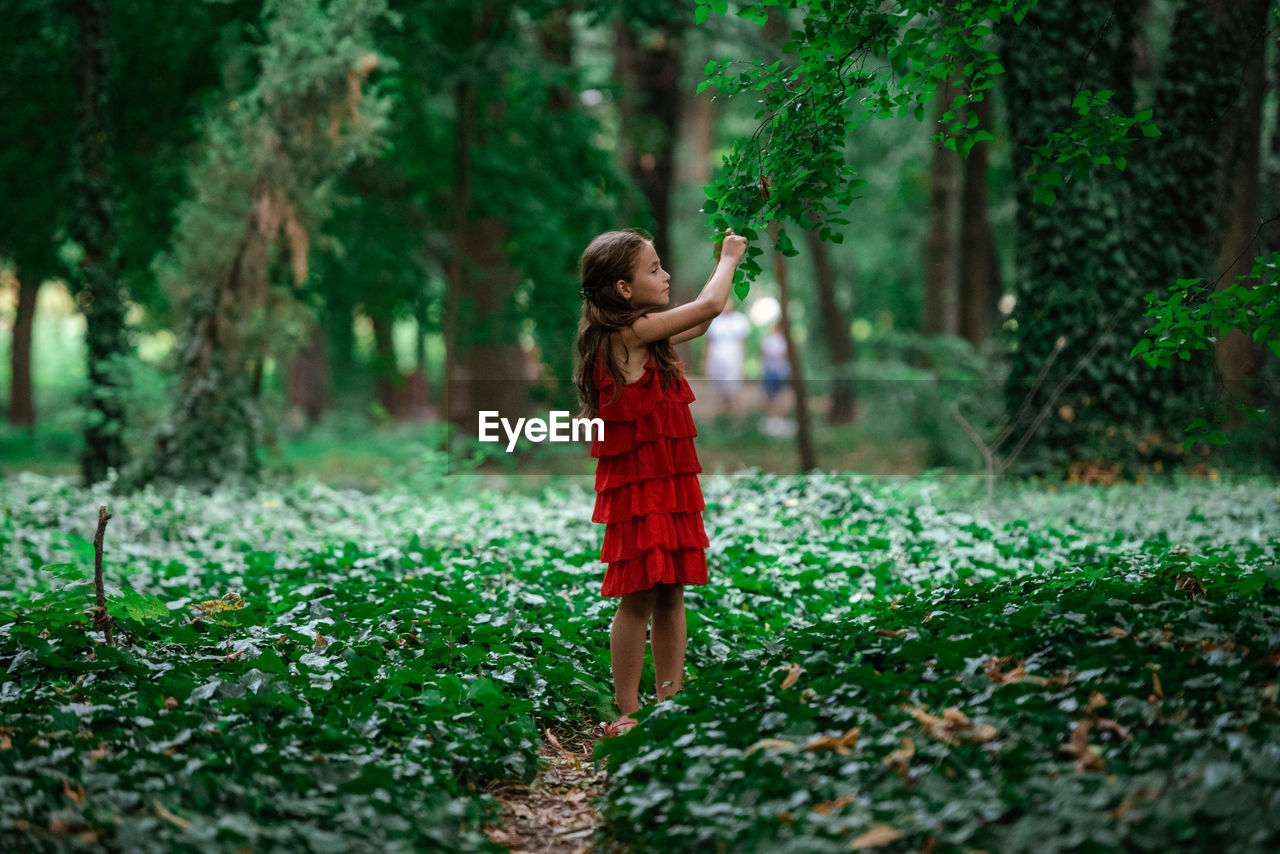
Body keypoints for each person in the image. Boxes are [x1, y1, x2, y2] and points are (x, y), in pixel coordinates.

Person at [574, 227, 749, 737]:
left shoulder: (648, 331)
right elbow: (709, 307)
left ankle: (670, 699)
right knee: (640, 595)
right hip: (641, 485)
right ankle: (627, 710)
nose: (666, 274)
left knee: (672, 591)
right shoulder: (625, 336)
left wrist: (721, 268)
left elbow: (697, 321)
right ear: (623, 289)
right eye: (654, 269)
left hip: (668, 482)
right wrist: (731, 258)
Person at [703, 304, 751, 417]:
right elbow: (708, 341)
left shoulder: (739, 320)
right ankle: (722, 411)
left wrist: (744, 359)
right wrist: (705, 359)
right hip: (716, 357)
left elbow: (743, 342)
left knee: (732, 383)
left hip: (734, 357)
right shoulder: (714, 321)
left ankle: (732, 410)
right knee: (718, 384)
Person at [759, 322, 794, 437]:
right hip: (775, 371)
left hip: (777, 371)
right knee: (774, 395)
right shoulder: (775, 340)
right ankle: (775, 418)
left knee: (775, 396)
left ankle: (777, 418)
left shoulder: (775, 340)